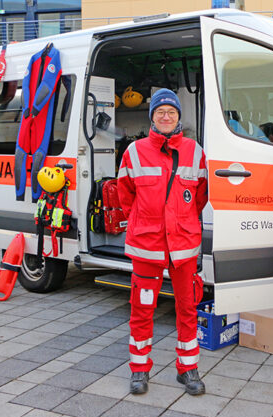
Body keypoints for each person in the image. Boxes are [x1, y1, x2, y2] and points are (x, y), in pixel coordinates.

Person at [117, 88, 208, 396]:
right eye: (160, 112)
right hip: (147, 245)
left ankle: (188, 369)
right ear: (152, 117)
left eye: (171, 112)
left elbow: (200, 196)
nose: (166, 117)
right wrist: (145, 219)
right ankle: (139, 371)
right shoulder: (134, 151)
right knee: (142, 309)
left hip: (183, 245)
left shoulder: (195, 151)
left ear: (179, 117)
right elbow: (124, 194)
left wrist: (181, 222)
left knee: (187, 307)